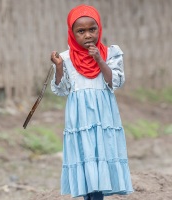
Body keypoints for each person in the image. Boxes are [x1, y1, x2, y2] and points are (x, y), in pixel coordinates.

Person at [50, 4, 133, 200]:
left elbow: (116, 81)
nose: (87, 35)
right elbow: (61, 90)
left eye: (92, 29)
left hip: (103, 115)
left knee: (101, 153)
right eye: (81, 31)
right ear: (72, 33)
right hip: (79, 117)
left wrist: (100, 61)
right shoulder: (65, 58)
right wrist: (59, 68)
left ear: (99, 29)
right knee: (84, 155)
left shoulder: (110, 53)